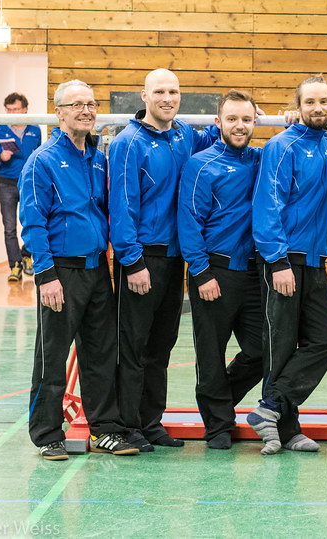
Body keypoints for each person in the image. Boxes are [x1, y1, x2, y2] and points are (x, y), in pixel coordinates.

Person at [247, 74, 327, 455]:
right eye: (310, 102)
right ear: (298, 107)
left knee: (324, 340)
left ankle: (270, 408)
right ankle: (286, 430)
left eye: (324, 102)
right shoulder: (281, 146)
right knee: (281, 347)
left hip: (316, 261)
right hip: (284, 259)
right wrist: (277, 261)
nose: (318, 108)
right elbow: (267, 205)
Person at [19, 80, 136, 460]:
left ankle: (106, 429)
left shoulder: (97, 158)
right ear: (59, 113)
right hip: (61, 272)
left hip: (97, 270)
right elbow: (33, 222)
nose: (86, 110)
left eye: (91, 104)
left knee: (101, 354)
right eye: (76, 105)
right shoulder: (42, 160)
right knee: (52, 355)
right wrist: (45, 276)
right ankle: (47, 433)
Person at [108, 68, 217, 452]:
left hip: (174, 258)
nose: (167, 98)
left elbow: (219, 134)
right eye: (159, 92)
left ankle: (151, 422)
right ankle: (128, 425)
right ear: (144, 96)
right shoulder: (127, 143)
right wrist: (132, 262)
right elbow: (122, 207)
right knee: (133, 348)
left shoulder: (184, 135)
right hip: (142, 258)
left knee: (161, 346)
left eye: (173, 91)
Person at [178, 90, 264, 451]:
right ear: (218, 123)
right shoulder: (201, 165)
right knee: (211, 353)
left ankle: (220, 401)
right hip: (214, 270)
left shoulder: (261, 159)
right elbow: (189, 222)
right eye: (232, 119)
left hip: (253, 274)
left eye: (246, 119)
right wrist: (201, 273)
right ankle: (218, 425)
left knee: (263, 349)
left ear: (255, 122)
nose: (239, 126)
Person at [0, 93, 42, 281]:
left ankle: (26, 255)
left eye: (15, 109)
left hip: (28, 185)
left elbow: (39, 156)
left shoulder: (35, 129)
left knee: (33, 222)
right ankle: (15, 265)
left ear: (25, 109)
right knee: (9, 228)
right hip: (6, 185)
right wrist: (0, 157)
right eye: (8, 110)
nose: (12, 113)